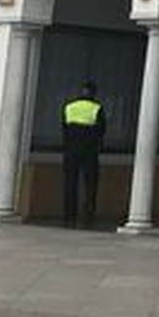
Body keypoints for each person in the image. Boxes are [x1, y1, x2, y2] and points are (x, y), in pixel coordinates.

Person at [61, 80, 106, 227]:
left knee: (70, 184)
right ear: (93, 93)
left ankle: (69, 215)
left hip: (71, 150)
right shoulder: (97, 108)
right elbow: (102, 131)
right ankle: (88, 216)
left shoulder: (69, 107)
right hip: (90, 151)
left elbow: (64, 129)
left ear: (80, 92)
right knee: (90, 185)